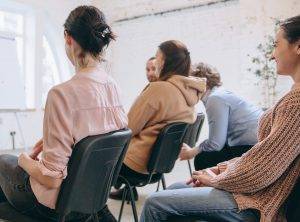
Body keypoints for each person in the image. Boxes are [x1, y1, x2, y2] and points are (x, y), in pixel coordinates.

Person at [140, 15, 300, 222]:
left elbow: (263, 169)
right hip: (254, 188)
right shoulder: (292, 96)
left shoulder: (295, 103)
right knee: (176, 187)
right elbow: (261, 157)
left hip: (259, 200)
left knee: (155, 203)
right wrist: (218, 169)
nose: (271, 54)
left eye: (276, 45)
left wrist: (217, 179)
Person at [0, 6, 127, 222]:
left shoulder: (61, 94)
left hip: (56, 204)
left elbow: (51, 179)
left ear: (68, 38)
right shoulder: (112, 86)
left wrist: (23, 160)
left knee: (4, 161)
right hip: (93, 194)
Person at [109, 40, 206, 201]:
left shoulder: (158, 88)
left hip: (134, 165)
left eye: (157, 57)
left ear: (165, 61)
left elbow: (129, 127)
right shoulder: (189, 94)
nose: (156, 62)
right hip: (158, 168)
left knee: (87, 163)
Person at [179, 63, 263, 170]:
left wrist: (192, 152)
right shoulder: (220, 94)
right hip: (253, 144)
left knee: (203, 158)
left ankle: (207, 185)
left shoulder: (215, 99)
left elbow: (216, 143)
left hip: (253, 147)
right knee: (207, 155)